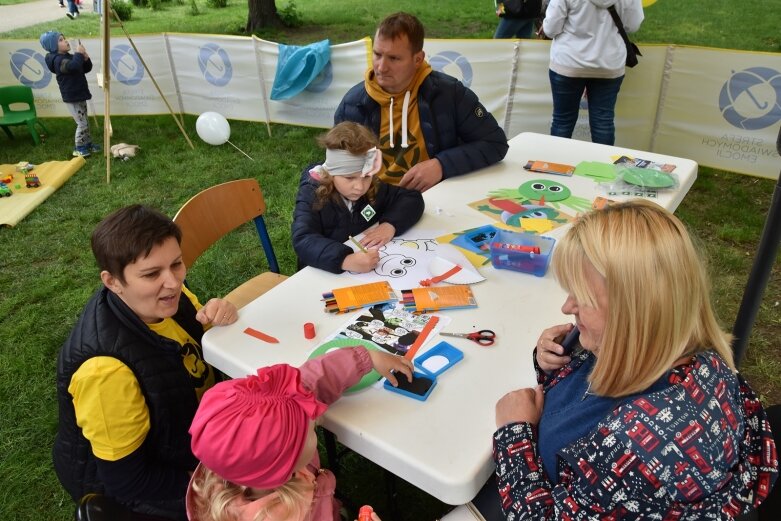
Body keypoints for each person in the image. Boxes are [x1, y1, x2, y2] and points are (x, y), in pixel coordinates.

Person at [492, 200, 778, 519]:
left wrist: (514, 434)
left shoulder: (635, 450)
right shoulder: (667, 345)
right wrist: (552, 359)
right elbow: (576, 386)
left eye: (582, 299)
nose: (566, 308)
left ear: (632, 314)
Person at [53, 205, 239, 520]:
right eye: (152, 274)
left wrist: (218, 315)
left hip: (189, 434)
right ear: (112, 281)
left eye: (177, 264)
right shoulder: (105, 373)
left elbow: (199, 329)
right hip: (145, 491)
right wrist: (220, 487)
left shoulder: (165, 299)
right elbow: (129, 481)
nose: (173, 282)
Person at [186, 347, 411, 520]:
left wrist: (366, 358)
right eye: (311, 430)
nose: (315, 417)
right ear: (281, 462)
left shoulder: (247, 458)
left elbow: (306, 383)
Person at [334, 12, 508, 192]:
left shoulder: (449, 93)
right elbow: (337, 167)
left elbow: (494, 143)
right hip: (372, 202)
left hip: (435, 198)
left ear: (418, 59)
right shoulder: (352, 105)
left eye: (394, 58)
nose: (381, 67)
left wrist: (441, 165)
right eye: (377, 54)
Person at [292, 121, 424, 274]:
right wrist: (344, 260)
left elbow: (411, 198)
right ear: (330, 173)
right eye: (349, 178)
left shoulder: (372, 187)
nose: (360, 187)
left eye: (366, 177)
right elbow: (303, 239)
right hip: (318, 273)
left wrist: (390, 225)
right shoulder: (312, 194)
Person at [540, 0, 644, 145]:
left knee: (562, 121)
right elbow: (633, 25)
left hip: (569, 62)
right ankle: (602, 166)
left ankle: (557, 164)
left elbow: (551, 29)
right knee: (603, 121)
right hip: (609, 63)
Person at [39, 31, 98, 158]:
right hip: (72, 96)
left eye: (64, 38)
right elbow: (73, 66)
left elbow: (84, 68)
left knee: (85, 121)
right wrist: (78, 54)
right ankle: (79, 147)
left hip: (79, 93)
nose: (65, 41)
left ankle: (87, 144)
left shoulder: (68, 57)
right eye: (60, 40)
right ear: (53, 46)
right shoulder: (58, 60)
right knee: (81, 123)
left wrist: (86, 59)